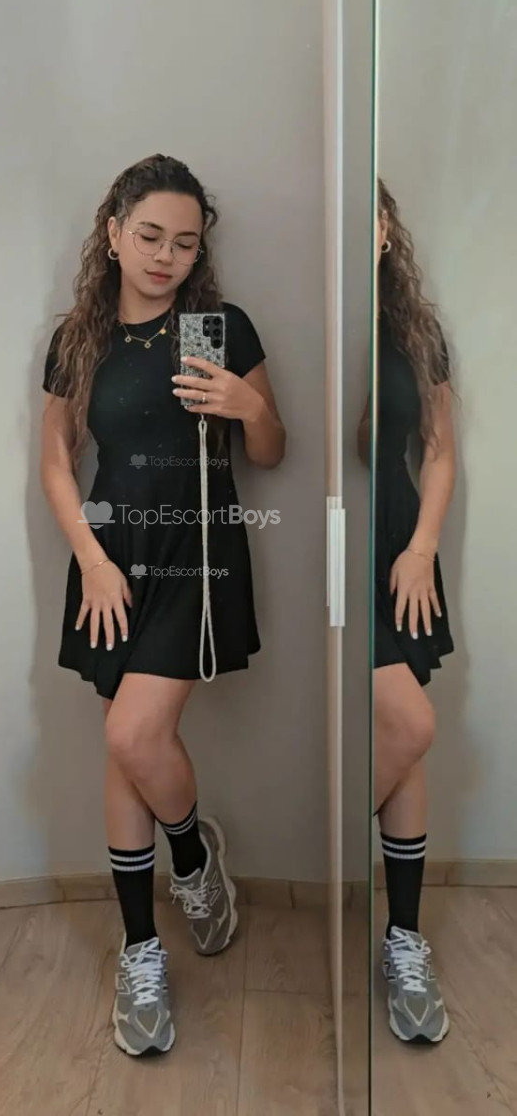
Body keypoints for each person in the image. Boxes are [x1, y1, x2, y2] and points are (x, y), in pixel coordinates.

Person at [40, 153, 285, 1057]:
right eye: (149, 236)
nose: (165, 257)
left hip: (198, 552)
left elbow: (271, 450)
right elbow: (55, 462)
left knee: (131, 735)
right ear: (112, 233)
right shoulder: (78, 339)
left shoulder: (221, 327)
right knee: (123, 745)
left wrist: (245, 403)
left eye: (184, 243)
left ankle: (189, 857)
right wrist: (91, 561)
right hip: (110, 558)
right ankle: (142, 947)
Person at [358, 178, 456, 1045]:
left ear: (387, 230)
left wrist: (422, 546)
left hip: (397, 544)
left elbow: (438, 451)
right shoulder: (311, 322)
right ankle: (330, 858)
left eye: (371, 218)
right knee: (407, 725)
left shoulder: (416, 331)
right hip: (327, 542)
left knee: (409, 726)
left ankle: (403, 936)